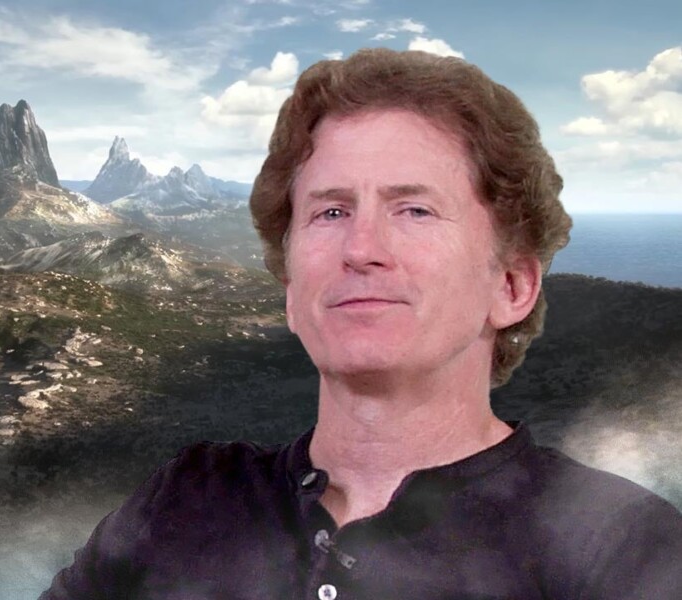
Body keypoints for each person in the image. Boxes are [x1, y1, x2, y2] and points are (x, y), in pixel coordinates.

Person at [39, 48, 682, 599]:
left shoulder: (622, 546)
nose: (361, 247)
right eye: (330, 212)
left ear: (511, 286)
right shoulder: (184, 499)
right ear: (291, 293)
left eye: (415, 210)